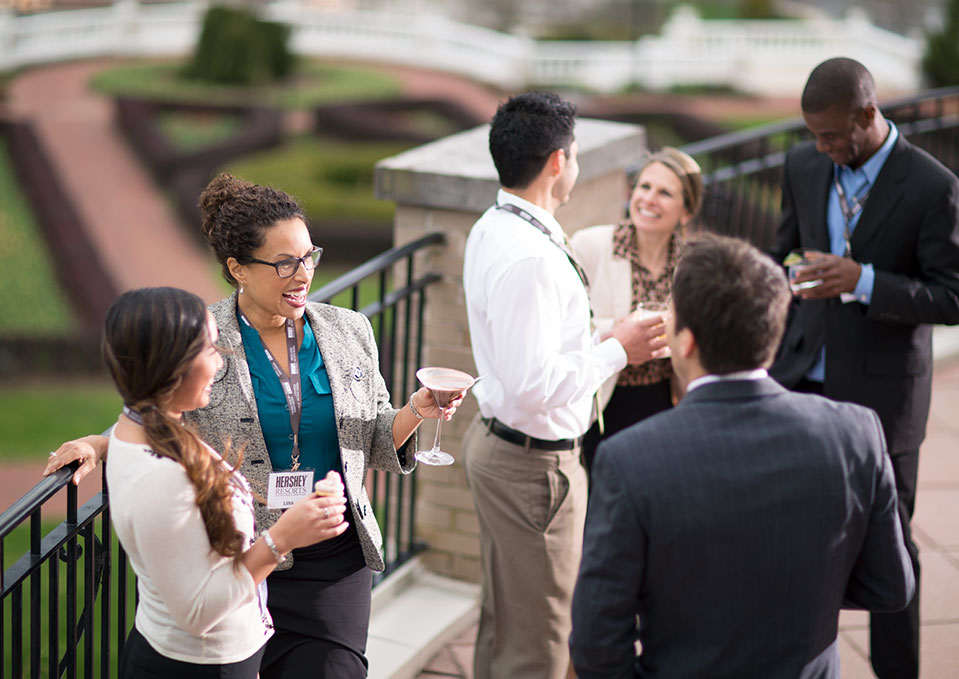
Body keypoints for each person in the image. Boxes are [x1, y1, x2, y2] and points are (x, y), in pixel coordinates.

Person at [45, 174, 463, 678]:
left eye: (309, 256)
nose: (303, 273)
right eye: (285, 262)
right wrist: (96, 443)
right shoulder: (202, 337)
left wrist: (417, 409)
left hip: (331, 557)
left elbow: (374, 442)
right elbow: (160, 414)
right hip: (238, 556)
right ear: (237, 268)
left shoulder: (351, 330)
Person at [570, 234, 916, 679]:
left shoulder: (629, 460)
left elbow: (597, 646)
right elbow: (892, 587)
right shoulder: (857, 433)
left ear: (687, 342)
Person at [769, 57, 959, 679]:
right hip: (802, 380)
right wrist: (799, 272)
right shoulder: (804, 165)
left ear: (868, 116)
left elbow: (951, 296)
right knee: (795, 534)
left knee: (891, 547)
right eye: (812, 136)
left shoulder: (934, 186)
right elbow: (782, 253)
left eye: (830, 136)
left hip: (886, 400)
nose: (820, 148)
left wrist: (865, 282)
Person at [461, 91, 660, 679]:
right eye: (573, 155)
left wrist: (606, 338)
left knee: (504, 621)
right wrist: (617, 349)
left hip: (507, 453)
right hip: (533, 472)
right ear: (557, 161)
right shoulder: (532, 259)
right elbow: (532, 384)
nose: (575, 165)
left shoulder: (495, 224)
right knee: (541, 646)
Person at [100, 286, 349, 678]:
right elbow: (197, 613)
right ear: (170, 365)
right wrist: (283, 537)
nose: (221, 365)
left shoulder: (140, 427)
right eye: (210, 350)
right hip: (197, 665)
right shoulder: (163, 478)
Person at [570, 147, 702, 473]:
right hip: (600, 404)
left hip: (662, 404)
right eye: (644, 187)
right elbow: (565, 327)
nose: (649, 199)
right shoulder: (591, 246)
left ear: (686, 211)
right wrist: (617, 328)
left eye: (665, 193)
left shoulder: (693, 264)